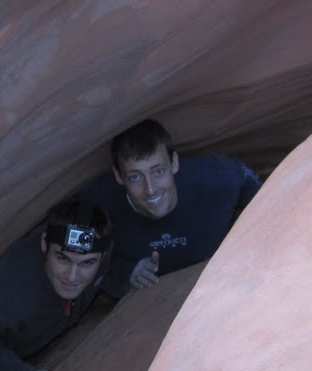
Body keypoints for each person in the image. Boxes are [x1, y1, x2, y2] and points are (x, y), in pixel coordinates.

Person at [82, 118, 261, 296]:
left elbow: (268, 200)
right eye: (135, 177)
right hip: (150, 303)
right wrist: (123, 269)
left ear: (174, 163)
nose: (150, 189)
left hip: (226, 287)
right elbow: (69, 249)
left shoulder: (217, 178)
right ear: (119, 176)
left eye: (158, 171)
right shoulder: (98, 203)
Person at [0, 199, 112, 371]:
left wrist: (128, 274)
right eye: (62, 258)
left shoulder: (102, 249)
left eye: (87, 263)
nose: (72, 276)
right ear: (44, 244)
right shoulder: (5, 299)